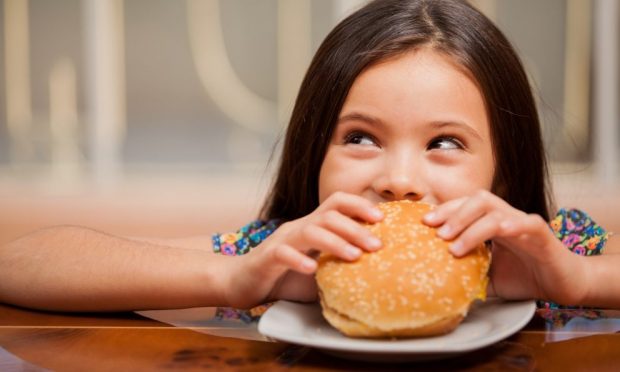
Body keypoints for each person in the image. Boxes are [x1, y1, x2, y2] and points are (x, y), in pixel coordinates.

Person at [0, 0, 617, 312]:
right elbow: (20, 262)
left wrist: (581, 279)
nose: (399, 180)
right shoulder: (283, 259)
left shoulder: (552, 255)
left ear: (502, 171)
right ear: (312, 155)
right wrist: (235, 278)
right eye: (360, 137)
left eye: (445, 144)